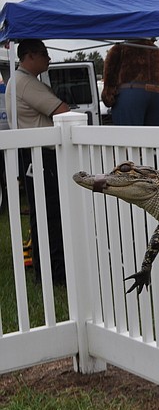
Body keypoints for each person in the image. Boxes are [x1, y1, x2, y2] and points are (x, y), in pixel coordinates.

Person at [6, 39, 70, 283]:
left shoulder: (21, 81)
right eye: (44, 54)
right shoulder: (26, 82)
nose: (49, 58)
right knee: (50, 213)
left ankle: (47, 270)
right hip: (40, 156)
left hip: (33, 156)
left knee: (43, 213)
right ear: (29, 56)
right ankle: (55, 273)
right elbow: (63, 111)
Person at [101, 38, 159, 126]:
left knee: (129, 136)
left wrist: (108, 96)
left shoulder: (119, 48)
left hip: (131, 93)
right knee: (158, 137)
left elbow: (110, 73)